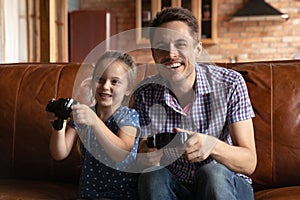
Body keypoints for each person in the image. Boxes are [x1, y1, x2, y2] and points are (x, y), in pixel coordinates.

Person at [132, 7, 257, 200]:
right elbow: (140, 152)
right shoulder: (143, 94)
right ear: (154, 55)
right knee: (151, 176)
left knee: (212, 173)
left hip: (225, 184)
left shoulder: (230, 83)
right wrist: (144, 155)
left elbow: (249, 162)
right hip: (176, 187)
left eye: (180, 44)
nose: (171, 54)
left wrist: (212, 146)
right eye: (162, 47)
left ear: (197, 49)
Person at [47, 51, 140, 199]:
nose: (105, 86)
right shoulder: (84, 114)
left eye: (114, 81)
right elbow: (60, 153)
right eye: (100, 79)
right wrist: (59, 124)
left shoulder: (128, 116)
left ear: (128, 89)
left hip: (123, 195)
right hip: (88, 194)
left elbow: (121, 152)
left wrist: (94, 121)